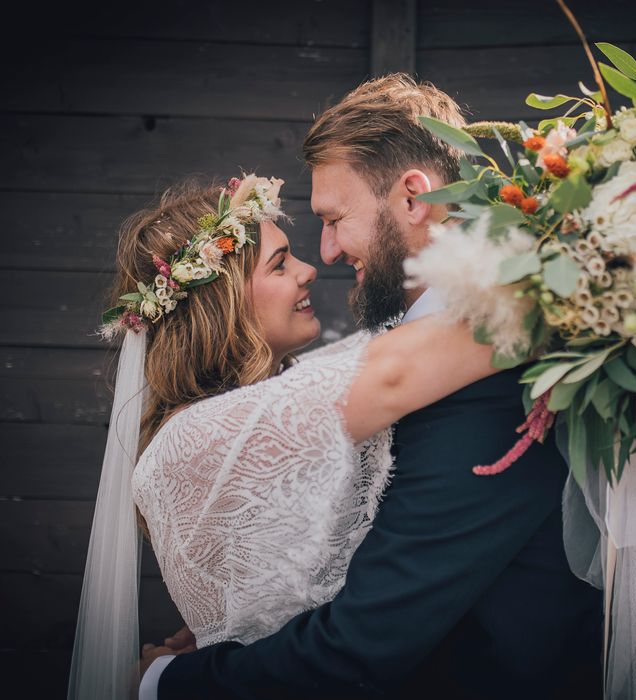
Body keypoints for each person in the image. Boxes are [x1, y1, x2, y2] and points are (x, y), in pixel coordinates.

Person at [143, 75, 602, 699]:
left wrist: (164, 682)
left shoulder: (490, 378)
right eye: (285, 258)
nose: (323, 254)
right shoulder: (402, 357)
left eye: (334, 220)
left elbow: (367, 639)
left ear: (413, 199)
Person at [68, 171, 502, 699]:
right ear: (221, 306)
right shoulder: (195, 438)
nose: (310, 270)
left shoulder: (265, 403)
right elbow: (392, 368)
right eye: (279, 264)